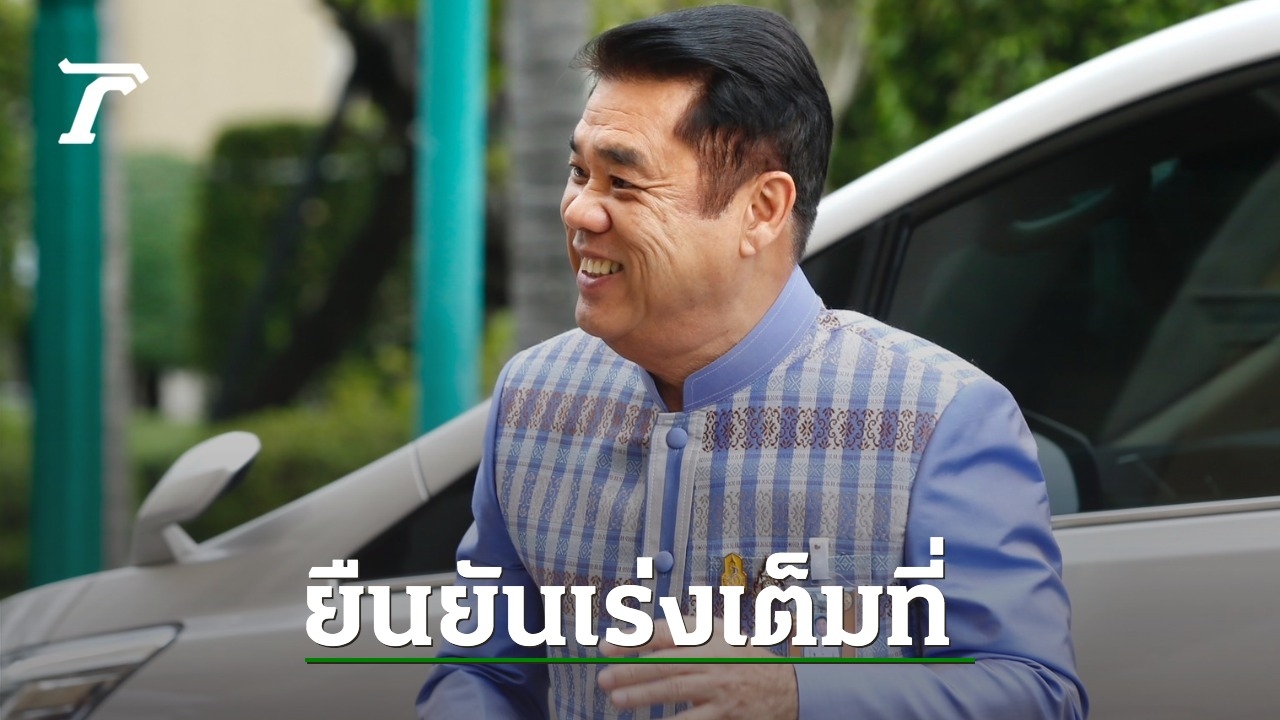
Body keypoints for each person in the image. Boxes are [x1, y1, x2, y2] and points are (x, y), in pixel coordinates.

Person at [417, 5, 1087, 719]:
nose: (580, 210)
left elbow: (1036, 694)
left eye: (623, 182)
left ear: (763, 209)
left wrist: (797, 695)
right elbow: (483, 668)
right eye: (580, 172)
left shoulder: (940, 417)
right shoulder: (533, 398)